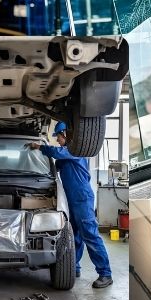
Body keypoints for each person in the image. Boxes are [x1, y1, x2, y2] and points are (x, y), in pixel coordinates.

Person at [30, 122, 113, 288]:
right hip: (72, 198)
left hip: (82, 197)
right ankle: (74, 266)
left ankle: (105, 274)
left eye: (59, 137)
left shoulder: (76, 149)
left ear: (65, 134)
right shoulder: (66, 154)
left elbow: (56, 152)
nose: (58, 141)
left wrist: (39, 147)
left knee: (90, 234)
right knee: (75, 234)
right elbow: (56, 164)